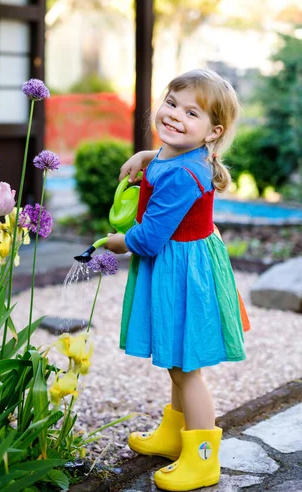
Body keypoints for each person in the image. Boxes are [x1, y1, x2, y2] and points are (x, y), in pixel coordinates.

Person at [105, 68, 250, 492]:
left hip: (183, 271)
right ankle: (174, 436)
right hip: (181, 265)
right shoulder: (177, 156)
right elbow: (169, 159)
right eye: (171, 103)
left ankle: (204, 459)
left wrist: (119, 241)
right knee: (177, 359)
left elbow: (148, 238)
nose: (174, 115)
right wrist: (146, 156)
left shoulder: (186, 175)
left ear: (212, 132)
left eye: (191, 112)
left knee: (187, 369)